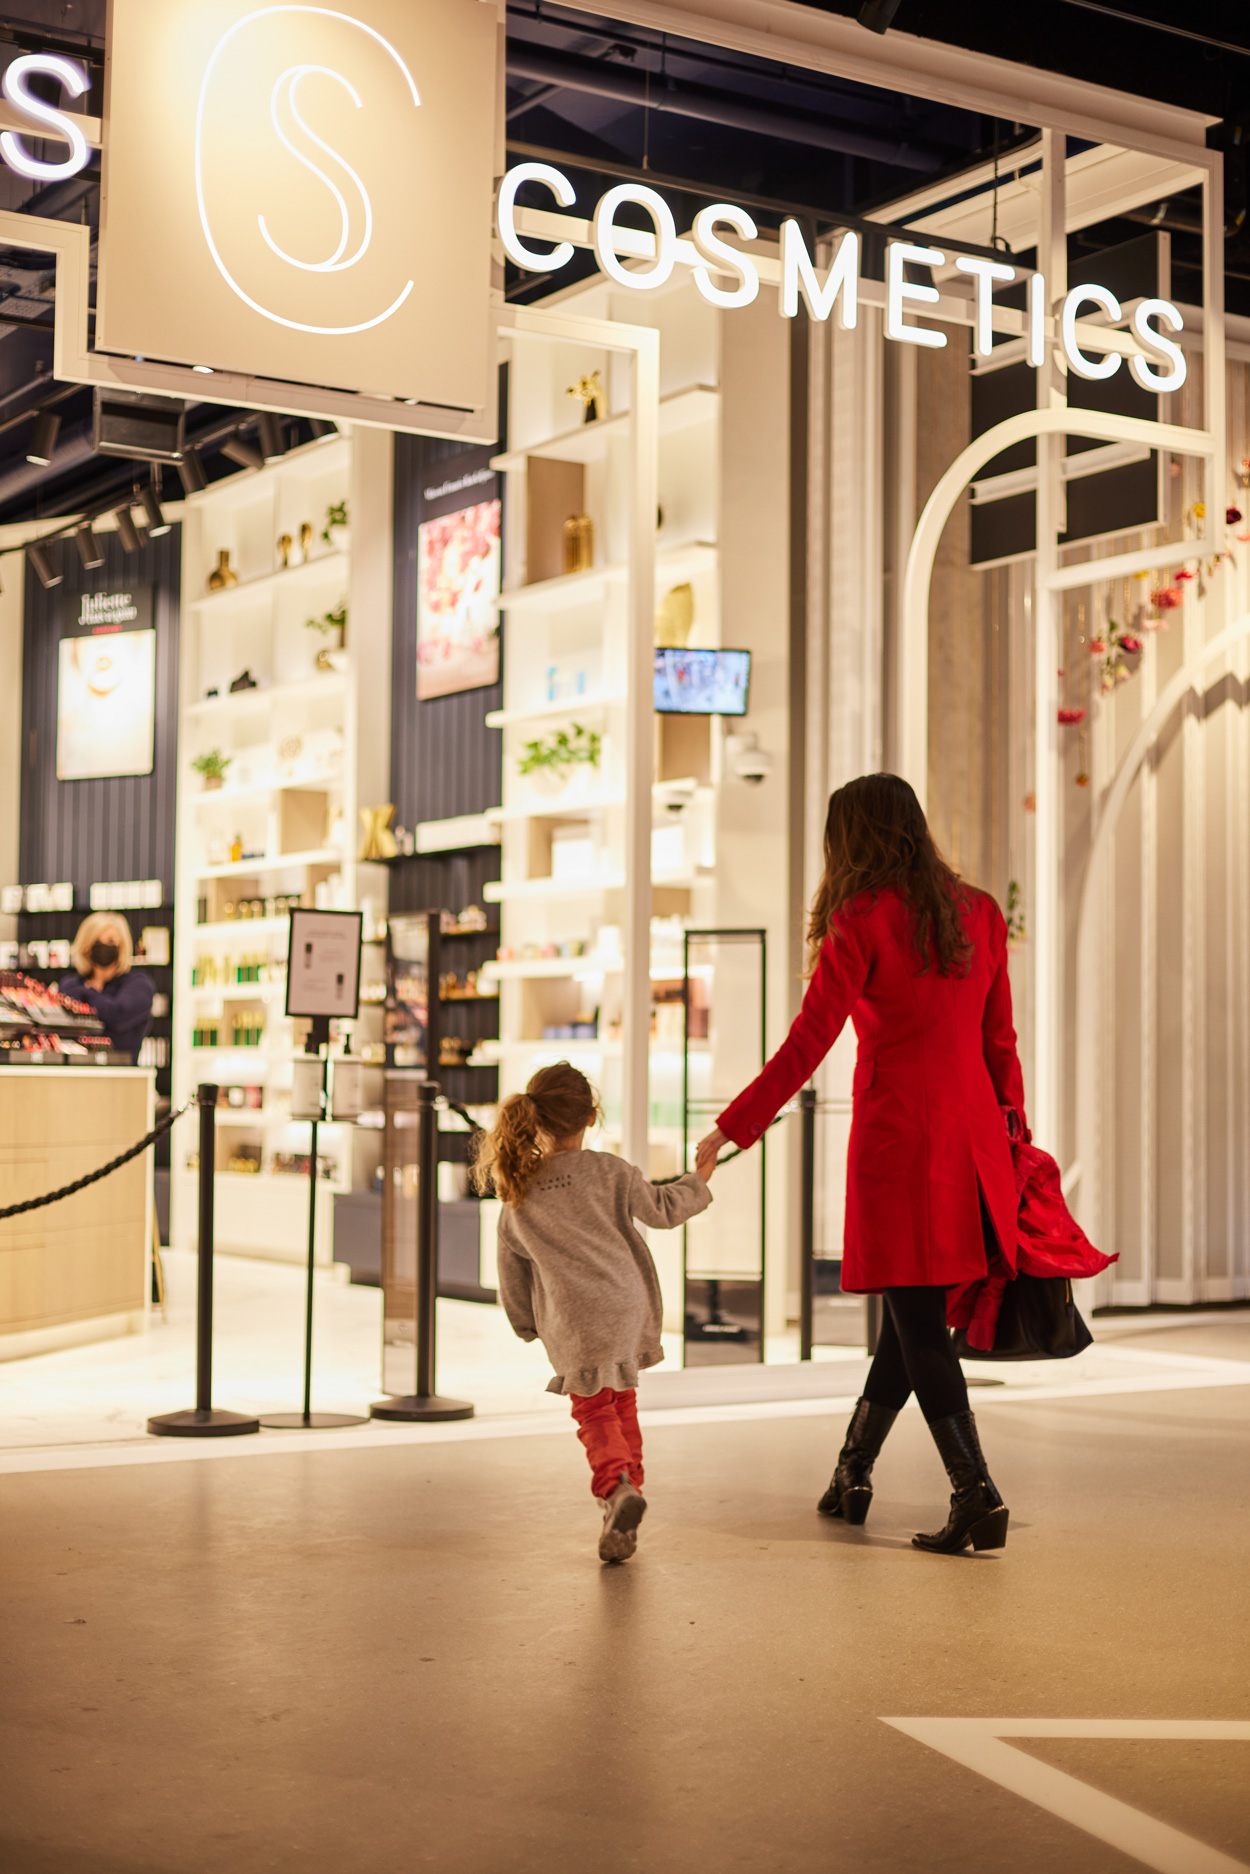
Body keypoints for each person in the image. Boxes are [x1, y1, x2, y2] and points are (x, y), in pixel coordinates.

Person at [697, 773, 1025, 1556]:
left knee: (917, 1320)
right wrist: (1014, 1136)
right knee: (908, 1321)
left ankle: (975, 1492)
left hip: (899, 1143)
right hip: (973, 1139)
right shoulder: (977, 910)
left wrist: (732, 1128)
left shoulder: (860, 918)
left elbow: (810, 1040)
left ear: (853, 839)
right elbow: (1000, 1041)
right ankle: (852, 1472)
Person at [475, 1062, 714, 1563]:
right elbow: (665, 1210)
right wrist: (699, 1178)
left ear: (536, 1120)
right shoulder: (611, 1171)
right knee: (621, 1404)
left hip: (574, 1321)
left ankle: (616, 1487)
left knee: (593, 1412)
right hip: (626, 1307)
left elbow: (512, 1275)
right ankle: (623, 1515)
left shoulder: (518, 1192)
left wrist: (526, 1326)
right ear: (591, 1116)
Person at [58, 913, 154, 1063]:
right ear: (86, 946)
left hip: (122, 1077)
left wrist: (87, 994)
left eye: (110, 941)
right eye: (97, 941)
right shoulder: (70, 984)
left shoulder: (138, 984)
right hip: (75, 1073)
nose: (103, 946)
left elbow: (118, 1015)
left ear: (122, 946)